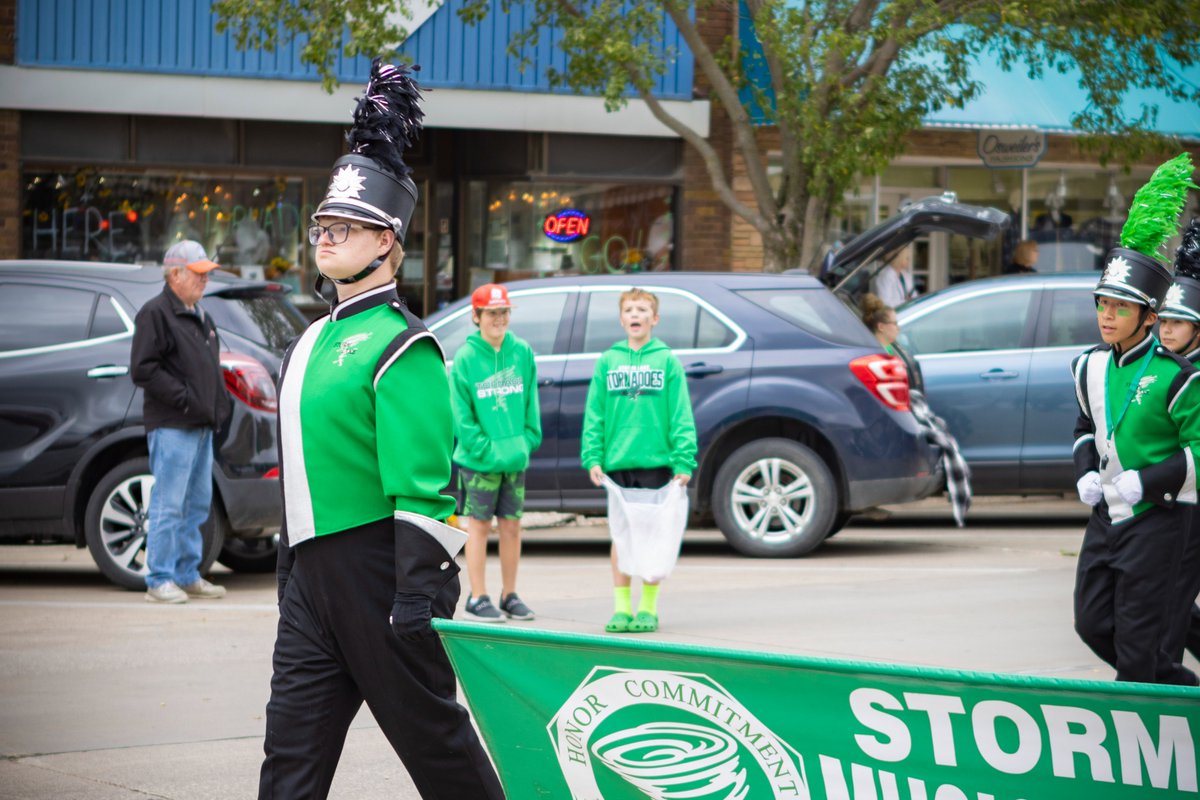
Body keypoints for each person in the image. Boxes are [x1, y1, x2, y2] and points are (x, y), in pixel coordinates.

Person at [258, 61, 505, 799]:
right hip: (311, 578)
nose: (327, 237)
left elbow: (425, 485)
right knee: (289, 761)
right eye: (323, 225)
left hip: (381, 573)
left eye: (348, 228)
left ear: (388, 244)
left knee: (439, 751)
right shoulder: (312, 338)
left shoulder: (405, 344)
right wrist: (292, 568)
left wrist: (417, 595)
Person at [1070, 153, 1200, 685]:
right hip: (1108, 518)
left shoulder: (1177, 376)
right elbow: (1085, 428)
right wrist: (1083, 472)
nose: (1106, 314)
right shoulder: (1087, 366)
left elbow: (1197, 453)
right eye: (1103, 303)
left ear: (1150, 316)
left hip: (1164, 519)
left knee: (1142, 655)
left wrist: (1144, 480)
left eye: (1120, 308)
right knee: (1092, 623)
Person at [581, 288, 697, 634]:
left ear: (654, 318)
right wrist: (593, 456)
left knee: (652, 537)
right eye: (630, 309)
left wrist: (683, 461)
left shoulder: (667, 361)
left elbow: (681, 414)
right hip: (618, 464)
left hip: (657, 462)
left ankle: (647, 608)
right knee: (622, 536)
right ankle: (621, 609)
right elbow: (595, 414)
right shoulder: (608, 361)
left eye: (643, 309)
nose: (636, 314)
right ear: (621, 319)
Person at [130, 239, 230, 603]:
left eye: (206, 274)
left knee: (197, 504)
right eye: (197, 274)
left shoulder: (201, 314)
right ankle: (159, 579)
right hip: (173, 424)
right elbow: (143, 369)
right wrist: (185, 399)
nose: (204, 281)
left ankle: (188, 574)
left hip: (200, 425)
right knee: (169, 504)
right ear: (175, 275)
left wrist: (216, 406)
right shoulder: (155, 313)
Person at [451, 282, 542, 623]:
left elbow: (531, 402)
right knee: (478, 526)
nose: (499, 319)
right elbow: (461, 414)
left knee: (512, 526)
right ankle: (478, 596)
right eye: (492, 313)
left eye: (504, 312)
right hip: (479, 462)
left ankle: (510, 594)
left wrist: (527, 440)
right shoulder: (466, 357)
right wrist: (484, 448)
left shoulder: (522, 352)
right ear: (476, 316)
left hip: (514, 456)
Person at [1156, 217, 1200, 672]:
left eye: (1178, 323)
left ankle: (1165, 683)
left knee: (1171, 600)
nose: (1166, 331)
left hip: (1190, 502)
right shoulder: (1165, 366)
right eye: (1163, 321)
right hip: (1174, 502)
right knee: (1169, 598)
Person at [860, 292, 923, 394]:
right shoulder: (877, 355)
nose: (898, 328)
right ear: (881, 327)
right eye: (894, 323)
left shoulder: (889, 347)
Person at [870, 244, 917, 309]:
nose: (909, 261)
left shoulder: (905, 275)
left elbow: (914, 296)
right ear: (899, 258)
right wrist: (905, 301)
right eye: (907, 258)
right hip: (889, 316)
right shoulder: (885, 276)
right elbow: (884, 303)